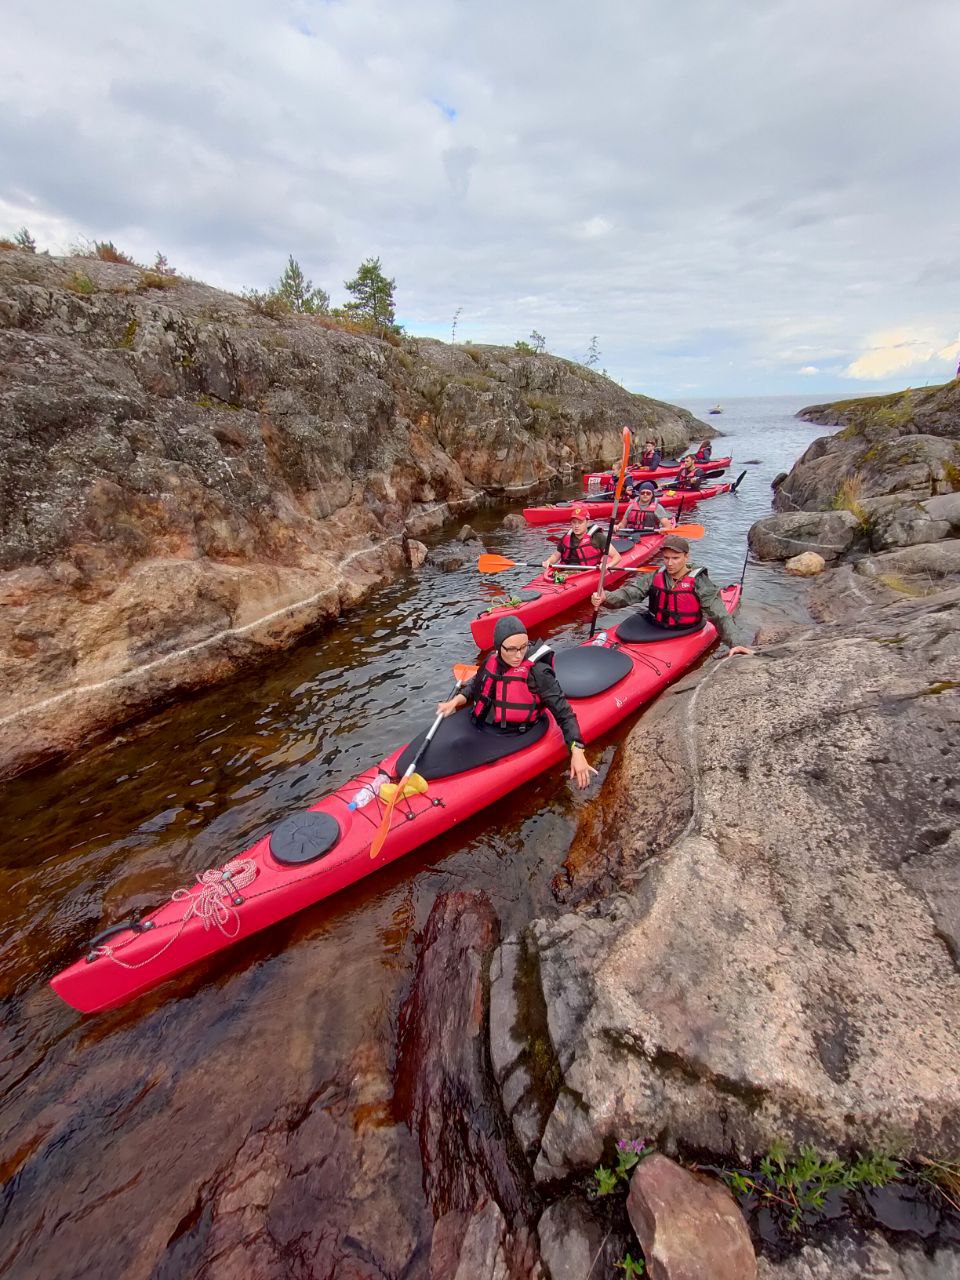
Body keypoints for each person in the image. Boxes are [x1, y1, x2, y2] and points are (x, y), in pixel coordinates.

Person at [436, 616, 598, 788]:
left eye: (523, 647)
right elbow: (476, 685)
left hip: (515, 733)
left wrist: (577, 750)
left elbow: (564, 713)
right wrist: (456, 701)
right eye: (512, 649)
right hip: (483, 725)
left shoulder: (538, 672)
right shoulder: (491, 660)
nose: (518, 655)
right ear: (498, 648)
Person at [590, 534, 754, 658]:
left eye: (675, 558)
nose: (669, 563)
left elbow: (720, 615)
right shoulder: (657, 575)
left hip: (685, 629)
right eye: (666, 558)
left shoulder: (699, 581)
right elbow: (632, 593)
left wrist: (737, 643)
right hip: (656, 623)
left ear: (686, 557)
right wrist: (606, 597)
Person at [542, 505, 621, 574]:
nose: (576, 526)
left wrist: (607, 565)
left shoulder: (598, 537)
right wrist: (549, 561)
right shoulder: (567, 537)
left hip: (588, 573)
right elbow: (556, 555)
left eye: (580, 522)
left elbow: (617, 557)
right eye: (574, 522)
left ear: (587, 522)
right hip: (565, 572)